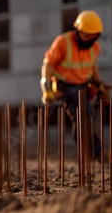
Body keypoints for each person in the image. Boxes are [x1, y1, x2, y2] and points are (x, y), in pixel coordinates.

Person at [40, 10, 106, 160]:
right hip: (64, 85)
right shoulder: (63, 41)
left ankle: (93, 153)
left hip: (82, 85)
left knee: (89, 118)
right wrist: (46, 85)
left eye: (93, 36)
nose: (89, 39)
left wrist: (98, 84)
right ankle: (93, 154)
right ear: (78, 30)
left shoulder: (95, 47)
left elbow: (92, 66)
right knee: (84, 117)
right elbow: (48, 63)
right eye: (86, 35)